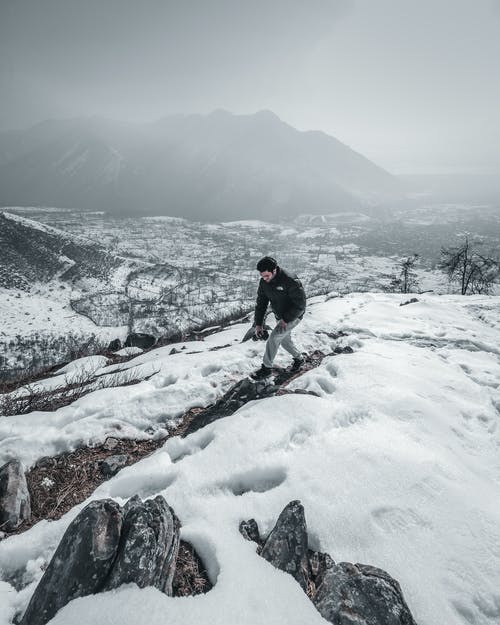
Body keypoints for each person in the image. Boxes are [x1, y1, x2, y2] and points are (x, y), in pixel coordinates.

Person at [251, 256, 306, 380]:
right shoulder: (264, 282)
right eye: (262, 276)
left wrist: (286, 319)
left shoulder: (290, 280)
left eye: (267, 276)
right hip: (279, 315)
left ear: (274, 270)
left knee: (274, 338)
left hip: (292, 316)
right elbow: (261, 303)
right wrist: (258, 324)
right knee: (285, 341)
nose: (264, 279)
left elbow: (300, 305)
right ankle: (299, 359)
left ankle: (266, 368)